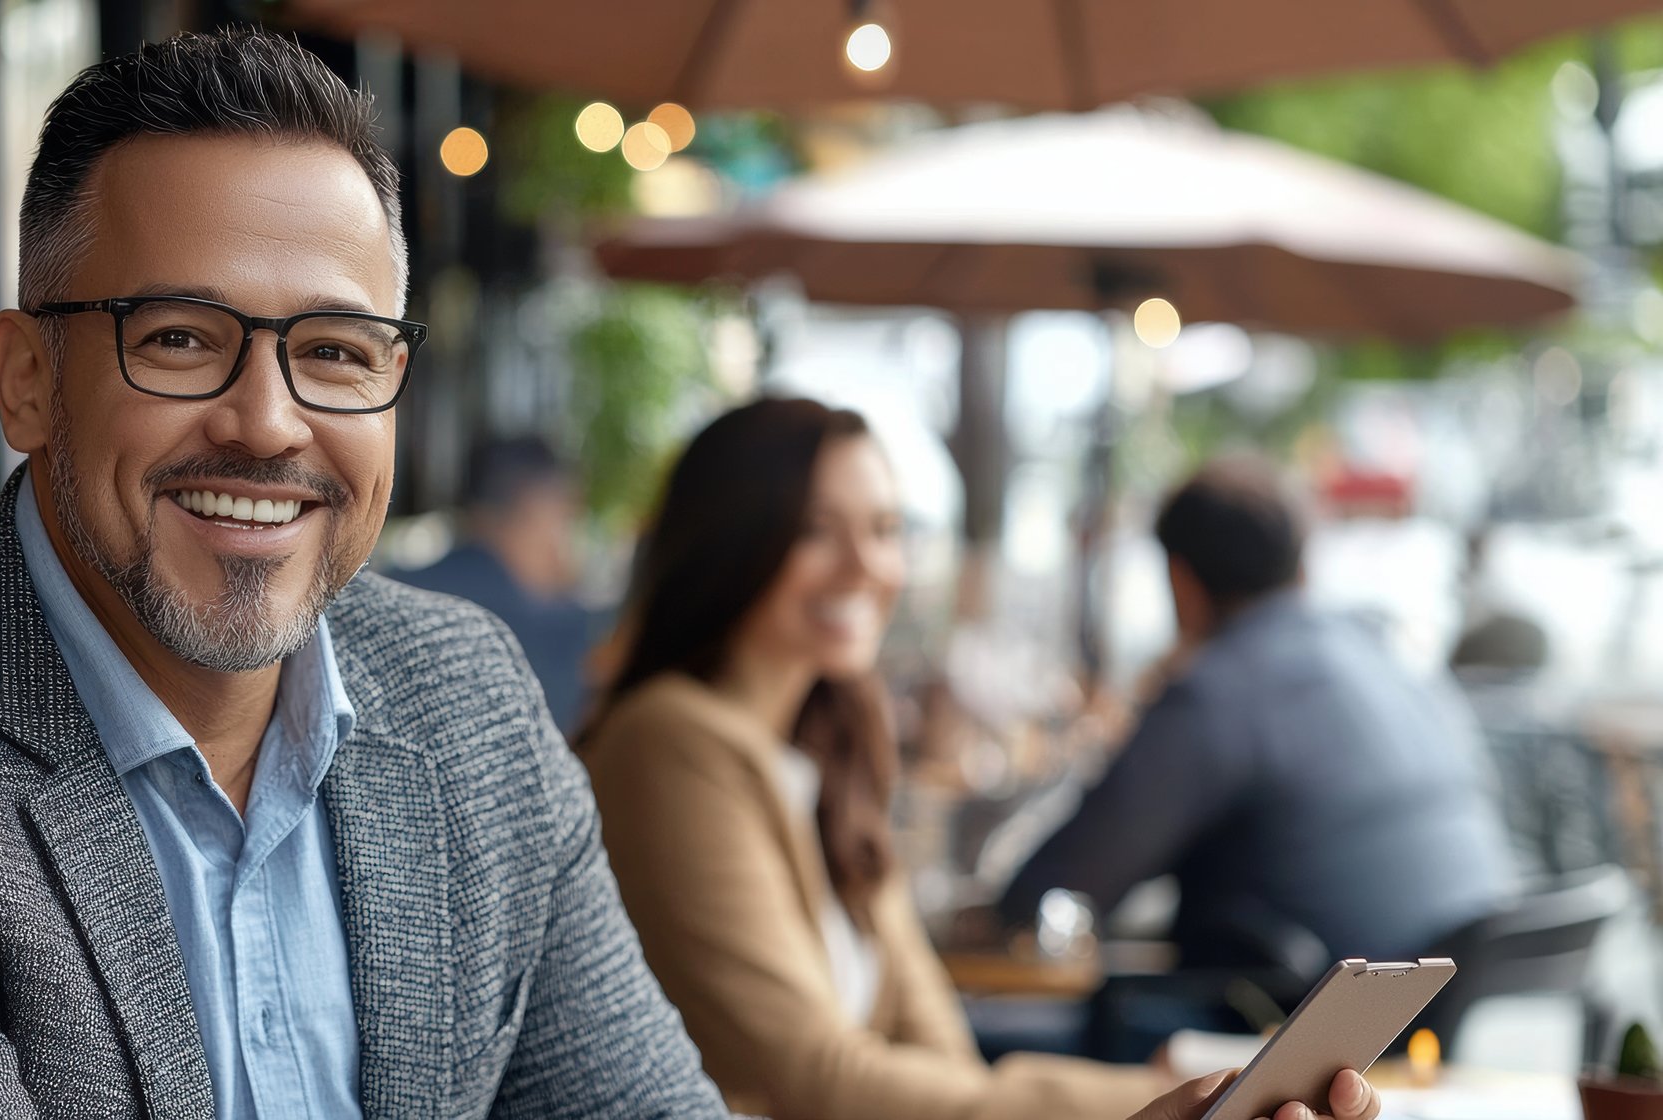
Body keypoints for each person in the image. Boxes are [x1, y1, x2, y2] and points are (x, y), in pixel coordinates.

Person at [0, 30, 724, 1117]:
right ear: (26, 381)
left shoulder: (469, 706)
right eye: (177, 338)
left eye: (334, 351)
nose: (267, 424)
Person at [582, 401, 1384, 1120]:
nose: (867, 566)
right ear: (730, 540)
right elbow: (811, 1077)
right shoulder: (667, 743)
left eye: (886, 529)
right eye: (817, 530)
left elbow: (939, 1051)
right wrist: (1164, 1098)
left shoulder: (825, 755)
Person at [999, 456, 1515, 969]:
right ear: (1300, 565)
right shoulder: (1385, 651)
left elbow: (1056, 889)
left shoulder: (1220, 690)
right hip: (1470, 991)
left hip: (1315, 1029)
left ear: (1181, 581)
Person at [393, 435, 598, 734]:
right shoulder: (560, 629)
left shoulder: (400, 584)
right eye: (566, 515)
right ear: (537, 508)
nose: (567, 538)